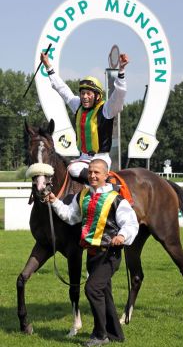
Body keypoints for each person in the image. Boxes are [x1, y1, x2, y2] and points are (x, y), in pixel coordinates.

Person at [45, 159, 139, 346]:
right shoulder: (83, 195)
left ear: (106, 175)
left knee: (92, 289)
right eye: (90, 172)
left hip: (109, 254)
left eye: (97, 172)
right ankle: (115, 334)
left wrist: (122, 236)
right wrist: (55, 202)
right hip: (92, 254)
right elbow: (71, 217)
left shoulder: (116, 199)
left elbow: (131, 223)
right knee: (104, 293)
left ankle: (99, 334)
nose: (93, 176)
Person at [40, 52, 129, 183]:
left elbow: (119, 95)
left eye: (88, 93)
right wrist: (48, 66)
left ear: (98, 96)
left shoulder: (107, 109)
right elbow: (62, 89)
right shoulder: (78, 106)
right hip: (82, 159)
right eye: (82, 93)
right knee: (66, 169)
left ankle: (108, 186)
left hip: (101, 159)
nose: (85, 97)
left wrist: (121, 71)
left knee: (73, 169)